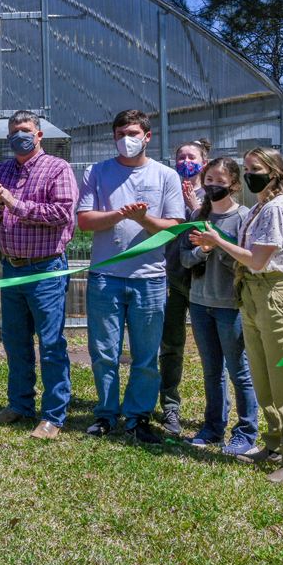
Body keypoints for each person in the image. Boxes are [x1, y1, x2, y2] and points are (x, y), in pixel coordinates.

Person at [192, 148, 283, 483]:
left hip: (276, 294)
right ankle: (273, 445)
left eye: (255, 168)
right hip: (254, 294)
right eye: (246, 168)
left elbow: (257, 260)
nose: (248, 174)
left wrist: (217, 241)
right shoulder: (260, 207)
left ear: (275, 171)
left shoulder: (277, 208)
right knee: (263, 377)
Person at [77, 109, 185, 445]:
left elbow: (173, 229)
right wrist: (117, 215)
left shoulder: (165, 176)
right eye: (121, 133)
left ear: (148, 137)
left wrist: (143, 220)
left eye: (134, 133)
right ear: (113, 137)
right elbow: (84, 220)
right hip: (106, 277)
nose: (128, 139)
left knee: (145, 356)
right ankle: (106, 415)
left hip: (150, 279)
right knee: (104, 352)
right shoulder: (96, 171)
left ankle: (138, 417)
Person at [0, 110, 79, 440]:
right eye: (13, 132)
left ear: (39, 135)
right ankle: (20, 406)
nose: (18, 136)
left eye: (25, 130)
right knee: (16, 342)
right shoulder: (5, 169)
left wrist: (14, 202)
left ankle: (53, 415)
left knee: (50, 344)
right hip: (12, 268)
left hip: (45, 268)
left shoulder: (57, 169)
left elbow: (63, 213)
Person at [179, 157, 258, 454]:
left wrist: (219, 245)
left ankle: (246, 433)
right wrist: (203, 250)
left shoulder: (244, 217)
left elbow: (247, 263)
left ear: (234, 185)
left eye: (220, 182)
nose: (212, 186)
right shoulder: (199, 215)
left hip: (230, 307)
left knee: (239, 372)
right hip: (199, 304)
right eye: (208, 180)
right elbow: (185, 259)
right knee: (212, 371)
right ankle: (213, 428)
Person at [158, 138, 211, 437]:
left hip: (205, 285)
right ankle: (170, 407)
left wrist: (195, 209)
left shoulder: (214, 193)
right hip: (174, 280)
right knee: (171, 347)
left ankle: (215, 416)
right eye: (181, 156)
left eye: (191, 156)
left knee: (211, 352)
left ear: (204, 161)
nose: (185, 161)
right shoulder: (170, 192)